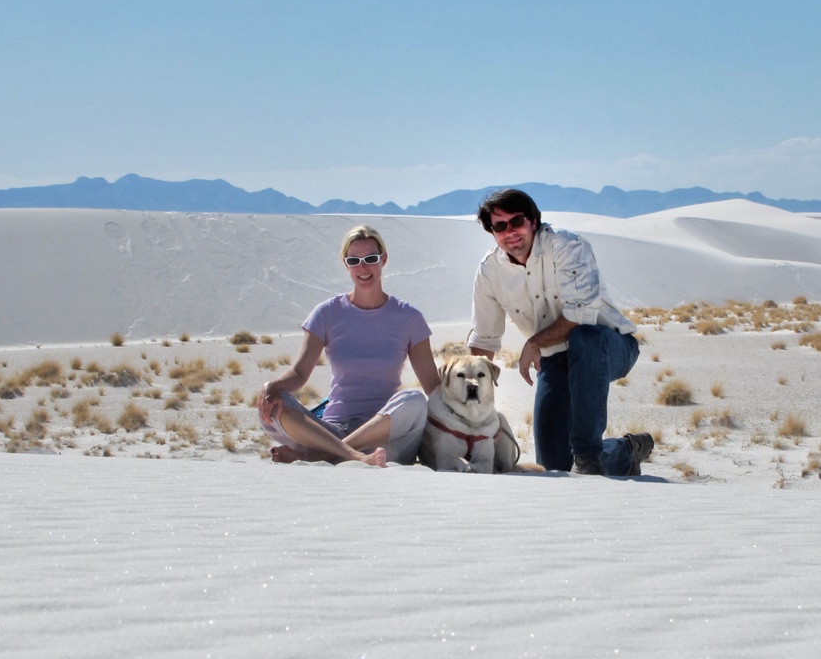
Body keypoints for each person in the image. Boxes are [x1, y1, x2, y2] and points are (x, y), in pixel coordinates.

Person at [468, 188, 654, 477]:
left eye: (516, 222)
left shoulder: (566, 246)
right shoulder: (490, 271)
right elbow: (484, 340)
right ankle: (625, 451)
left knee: (585, 339)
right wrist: (471, 407)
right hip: (556, 360)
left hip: (608, 347)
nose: (510, 232)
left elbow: (581, 315)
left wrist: (533, 343)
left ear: (532, 221)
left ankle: (588, 454)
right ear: (492, 232)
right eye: (499, 226)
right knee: (553, 468)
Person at [258, 225, 440, 467]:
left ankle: (316, 456)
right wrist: (272, 386)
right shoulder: (327, 313)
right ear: (346, 265)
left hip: (384, 436)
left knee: (414, 400)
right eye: (354, 260)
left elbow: (434, 389)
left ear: (383, 260)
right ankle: (351, 455)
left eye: (370, 259)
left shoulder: (409, 318)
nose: (363, 268)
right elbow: (299, 374)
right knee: (272, 401)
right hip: (331, 431)